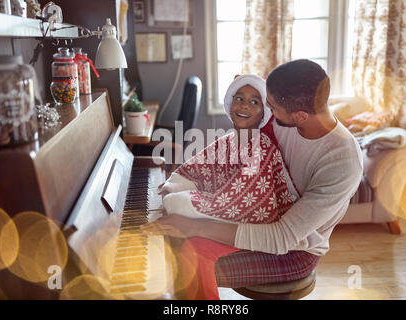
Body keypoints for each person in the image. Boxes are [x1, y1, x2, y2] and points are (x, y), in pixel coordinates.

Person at [141, 59, 363, 299]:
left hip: (295, 250)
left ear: (300, 116)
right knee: (173, 234)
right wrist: (188, 179)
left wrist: (194, 226)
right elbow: (239, 142)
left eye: (273, 107)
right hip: (259, 219)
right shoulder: (288, 117)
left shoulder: (342, 161)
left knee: (188, 254)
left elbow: (282, 237)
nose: (268, 111)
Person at [159, 74, 300, 224]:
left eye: (254, 102)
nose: (244, 105)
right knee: (171, 198)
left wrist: (178, 201)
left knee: (176, 204)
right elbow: (197, 167)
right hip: (224, 200)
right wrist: (174, 185)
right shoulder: (227, 140)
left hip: (249, 213)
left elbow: (242, 200)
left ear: (263, 114)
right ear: (230, 104)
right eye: (239, 99)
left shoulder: (263, 150)